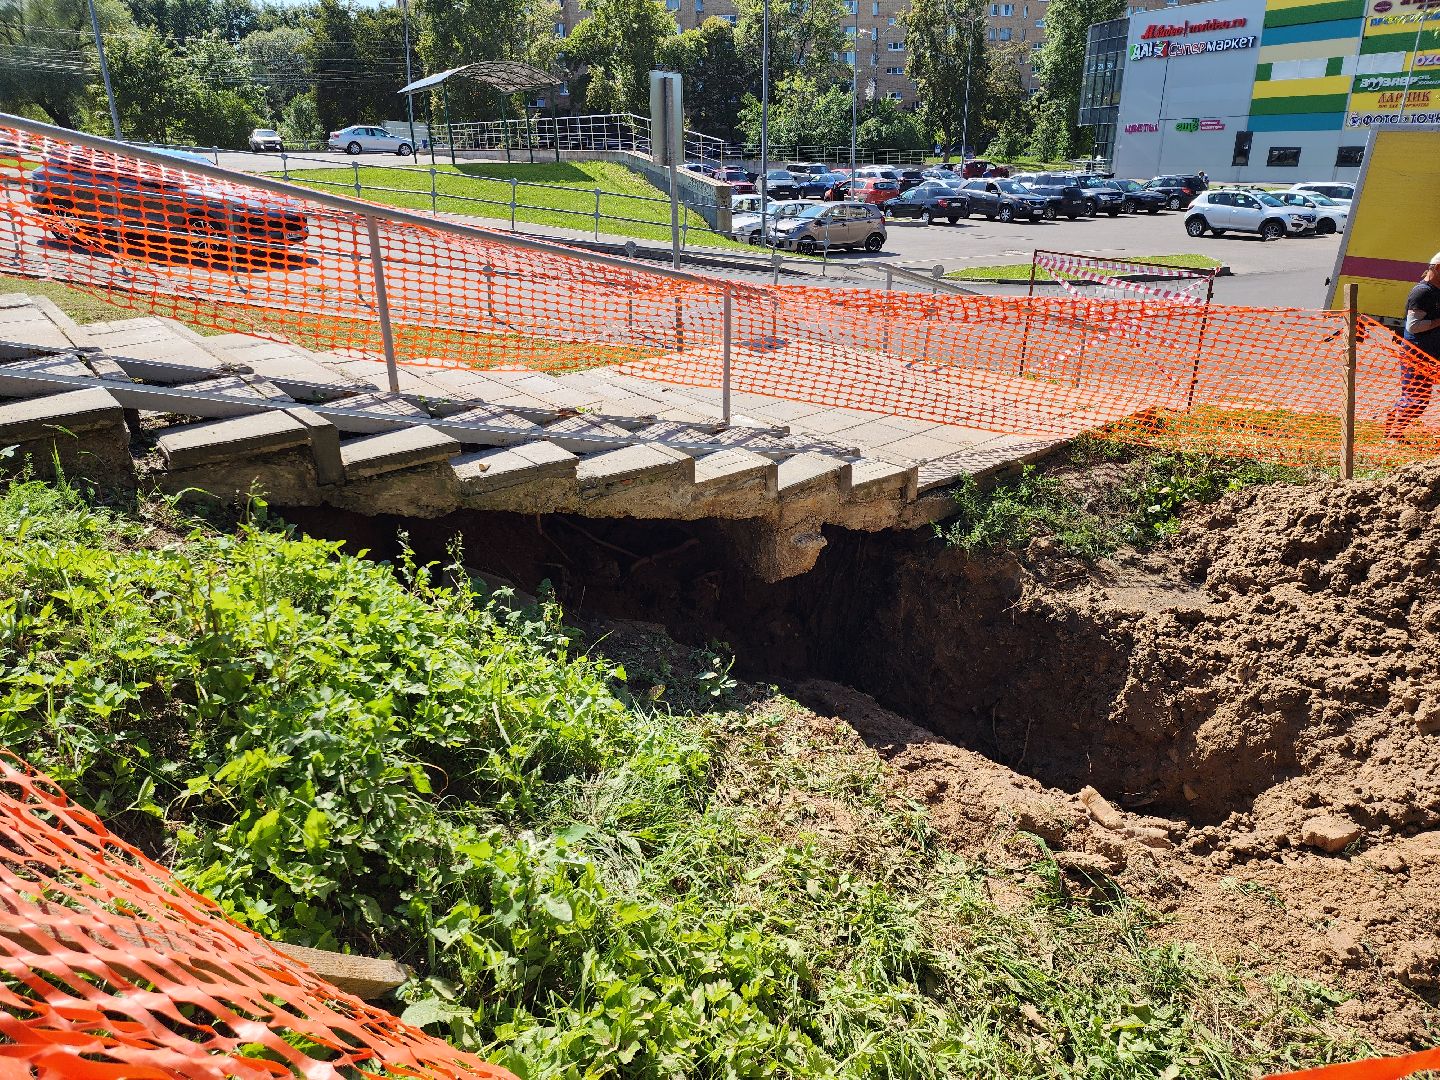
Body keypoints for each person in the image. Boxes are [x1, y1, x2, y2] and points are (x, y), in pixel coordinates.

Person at [1384, 252, 1440, 440]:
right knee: (1417, 400)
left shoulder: (1436, 291)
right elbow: (1413, 326)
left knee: (1417, 399)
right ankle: (1394, 434)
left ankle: (1393, 426)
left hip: (1430, 355)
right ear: (1437, 268)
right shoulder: (1422, 292)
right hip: (1416, 355)